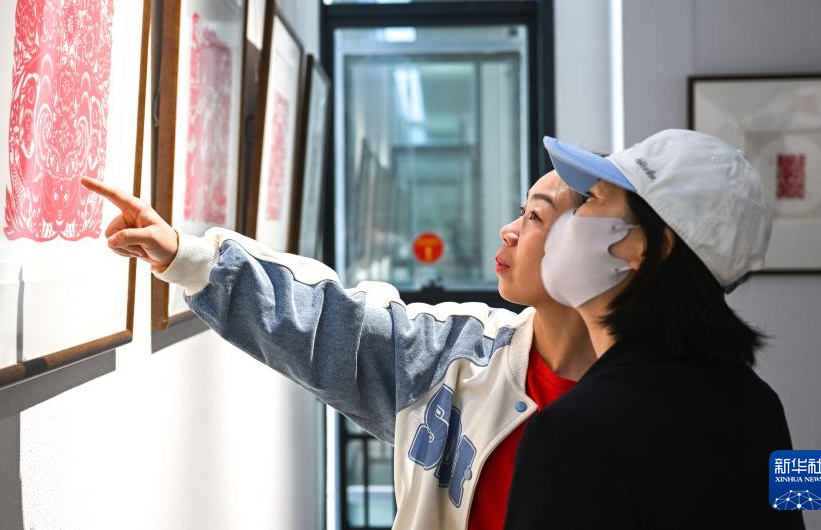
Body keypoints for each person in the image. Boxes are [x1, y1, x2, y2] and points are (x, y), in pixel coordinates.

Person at [82, 171, 596, 529]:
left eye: (534, 216)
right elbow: (331, 325)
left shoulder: (637, 409)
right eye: (521, 211)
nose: (509, 229)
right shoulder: (462, 354)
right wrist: (186, 255)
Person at [505, 130, 804, 529]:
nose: (569, 223)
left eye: (591, 201)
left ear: (643, 247)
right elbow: (796, 512)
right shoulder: (763, 406)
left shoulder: (569, 431)